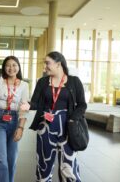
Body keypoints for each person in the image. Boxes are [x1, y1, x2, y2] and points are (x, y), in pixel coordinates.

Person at [20, 51, 87, 182]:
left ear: (58, 64)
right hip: (45, 127)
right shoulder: (43, 82)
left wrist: (73, 119)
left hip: (68, 128)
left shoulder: (74, 81)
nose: (45, 67)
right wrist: (29, 105)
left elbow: (82, 105)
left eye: (47, 63)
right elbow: (35, 102)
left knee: (69, 167)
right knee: (44, 165)